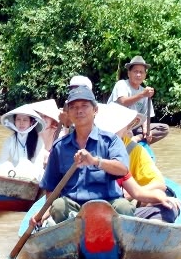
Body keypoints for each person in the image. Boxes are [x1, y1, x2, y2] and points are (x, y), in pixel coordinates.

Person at [37, 85, 132, 225]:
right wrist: (45, 212)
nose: (79, 110)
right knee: (58, 206)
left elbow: (122, 168)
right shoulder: (60, 147)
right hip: (74, 209)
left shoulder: (110, 141)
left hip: (107, 204)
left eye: (84, 106)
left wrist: (95, 161)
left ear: (95, 110)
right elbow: (51, 186)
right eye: (74, 107)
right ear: (68, 113)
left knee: (124, 207)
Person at [95, 102, 181, 222]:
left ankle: (145, 233)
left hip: (124, 208)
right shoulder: (88, 149)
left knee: (168, 207)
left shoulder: (132, 151)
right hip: (93, 210)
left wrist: (130, 195)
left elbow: (156, 185)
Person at [107, 55, 169, 145]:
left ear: (145, 75)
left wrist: (146, 129)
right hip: (117, 124)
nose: (138, 74)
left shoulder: (144, 92)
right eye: (135, 71)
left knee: (163, 128)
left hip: (134, 126)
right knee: (126, 131)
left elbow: (145, 116)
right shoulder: (121, 85)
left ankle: (137, 138)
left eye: (141, 72)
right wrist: (142, 95)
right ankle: (130, 138)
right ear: (129, 73)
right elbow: (123, 101)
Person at [0, 103, 45, 181]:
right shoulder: (9, 140)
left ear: (31, 122)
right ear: (14, 121)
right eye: (18, 119)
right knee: (5, 165)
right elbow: (1, 162)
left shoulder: (39, 141)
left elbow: (38, 165)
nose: (21, 123)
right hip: (13, 175)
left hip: (32, 176)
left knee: (25, 164)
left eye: (25, 120)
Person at [30, 98, 65, 165]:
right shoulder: (31, 132)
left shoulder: (59, 135)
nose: (42, 119)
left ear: (52, 119)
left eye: (45, 116)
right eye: (40, 116)